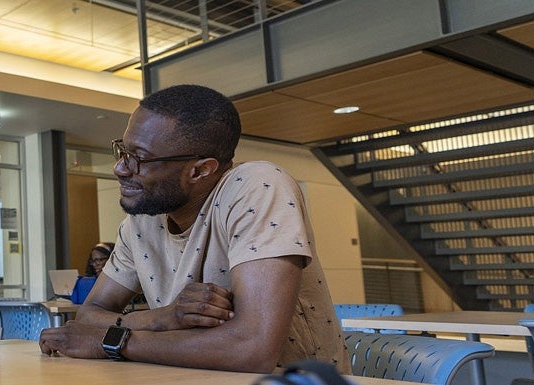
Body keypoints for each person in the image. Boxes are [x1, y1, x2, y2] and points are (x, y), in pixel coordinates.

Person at [37, 85, 347, 374]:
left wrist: (112, 341)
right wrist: (163, 318)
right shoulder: (142, 221)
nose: (120, 168)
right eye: (122, 151)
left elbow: (252, 348)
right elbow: (90, 313)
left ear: (200, 170)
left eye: (139, 158)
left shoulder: (256, 186)